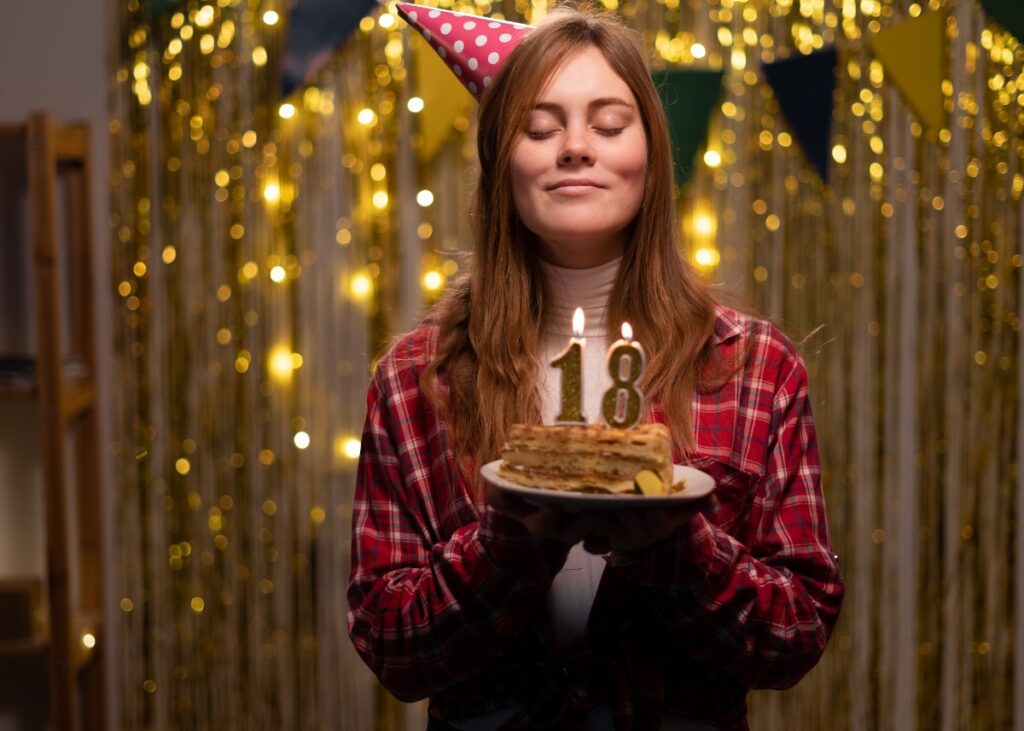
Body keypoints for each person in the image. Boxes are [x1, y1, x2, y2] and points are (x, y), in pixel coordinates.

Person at [347, 5, 844, 730]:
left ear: (652, 152)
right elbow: (391, 645)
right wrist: (507, 546)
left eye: (609, 124)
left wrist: (683, 551)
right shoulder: (416, 378)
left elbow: (796, 633)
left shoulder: (756, 367)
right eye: (540, 128)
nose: (575, 147)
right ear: (499, 164)